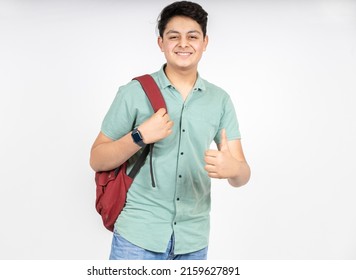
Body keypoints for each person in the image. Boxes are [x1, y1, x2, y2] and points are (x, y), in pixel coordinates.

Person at [90, 1, 251, 260]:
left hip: (193, 240)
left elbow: (242, 174)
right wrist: (139, 136)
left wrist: (233, 169)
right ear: (161, 43)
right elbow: (97, 158)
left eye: (192, 36)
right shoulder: (133, 93)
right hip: (137, 237)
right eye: (173, 36)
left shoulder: (220, 100)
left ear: (205, 42)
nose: (183, 44)